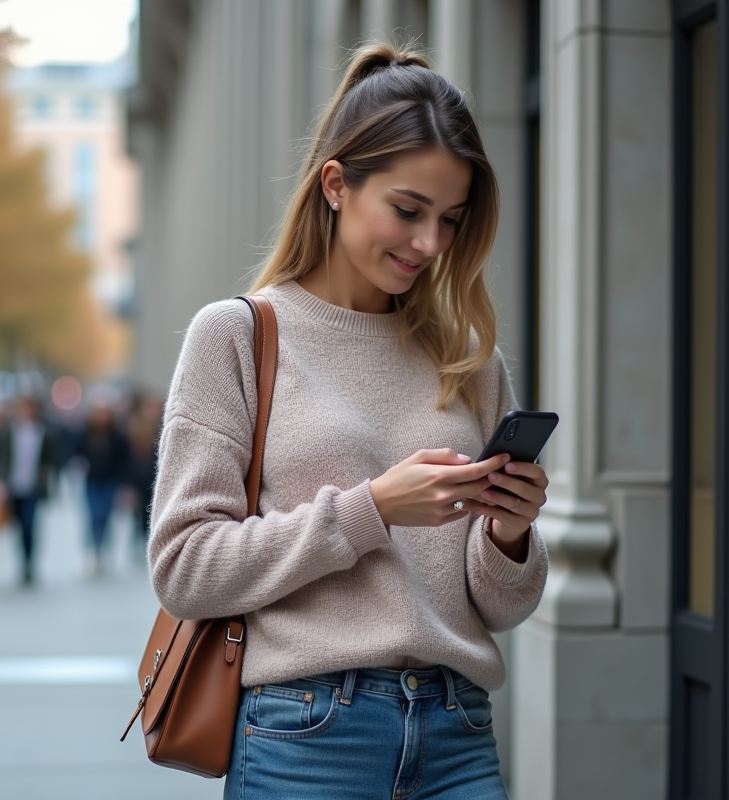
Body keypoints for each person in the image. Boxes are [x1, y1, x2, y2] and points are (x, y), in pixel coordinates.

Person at [147, 43, 550, 799]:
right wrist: (372, 510)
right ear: (336, 184)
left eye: (451, 221)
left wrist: (510, 534)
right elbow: (183, 569)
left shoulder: (469, 362)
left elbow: (503, 606)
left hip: (458, 732)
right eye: (407, 210)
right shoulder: (238, 336)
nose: (429, 244)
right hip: (307, 738)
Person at [0, 395, 57, 585]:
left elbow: (51, 458)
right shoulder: (8, 431)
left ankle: (30, 562)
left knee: (30, 524)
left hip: (33, 488)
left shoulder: (44, 431)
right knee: (19, 526)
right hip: (12, 487)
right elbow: (0, 458)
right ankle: (22, 560)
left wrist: (46, 476)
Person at [74, 403, 132, 573]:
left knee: (105, 516)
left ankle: (103, 550)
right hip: (92, 481)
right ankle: (92, 550)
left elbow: (124, 462)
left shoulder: (117, 437)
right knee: (93, 516)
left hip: (110, 481)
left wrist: (125, 486)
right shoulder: (85, 434)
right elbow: (76, 452)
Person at [126, 392, 162, 547]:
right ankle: (140, 538)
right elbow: (127, 456)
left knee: (152, 509)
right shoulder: (133, 426)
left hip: (155, 476)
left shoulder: (163, 426)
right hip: (137, 476)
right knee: (138, 510)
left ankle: (149, 537)